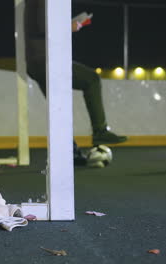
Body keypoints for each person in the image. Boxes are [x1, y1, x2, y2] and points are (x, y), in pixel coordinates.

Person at [23, 0, 127, 165]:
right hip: (46, 61)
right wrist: (70, 26)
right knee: (91, 79)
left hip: (38, 61)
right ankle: (100, 131)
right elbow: (41, 27)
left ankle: (70, 153)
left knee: (59, 110)